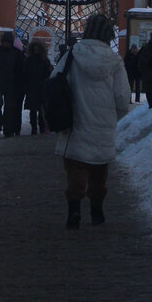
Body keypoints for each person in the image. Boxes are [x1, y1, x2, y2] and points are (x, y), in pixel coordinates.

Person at [51, 13, 131, 228]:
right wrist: (113, 116)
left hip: (75, 122)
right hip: (103, 125)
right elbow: (123, 98)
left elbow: (54, 82)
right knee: (99, 168)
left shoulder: (71, 56)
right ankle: (97, 210)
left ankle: (74, 208)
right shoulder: (115, 62)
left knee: (76, 167)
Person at [0, 31, 24, 137]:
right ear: (2, 42)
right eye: (5, 42)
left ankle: (7, 129)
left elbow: (20, 70)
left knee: (9, 108)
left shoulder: (16, 53)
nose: (7, 44)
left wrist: (19, 85)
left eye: (8, 42)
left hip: (11, 84)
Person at [22, 39, 52, 134]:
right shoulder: (30, 60)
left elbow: (48, 74)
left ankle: (41, 126)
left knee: (41, 109)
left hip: (41, 88)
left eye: (38, 48)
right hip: (32, 88)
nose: (36, 50)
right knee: (33, 110)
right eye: (34, 48)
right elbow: (25, 74)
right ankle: (34, 128)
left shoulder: (45, 61)